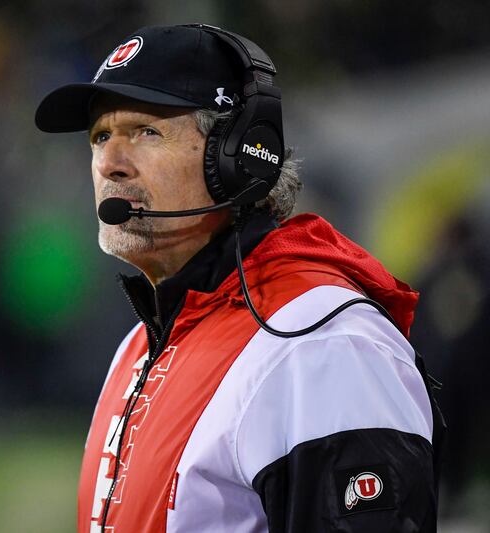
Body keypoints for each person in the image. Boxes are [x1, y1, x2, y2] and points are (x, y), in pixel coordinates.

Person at [35, 24, 443, 532]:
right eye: (101, 137)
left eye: (146, 131)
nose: (110, 165)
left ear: (237, 157)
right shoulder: (143, 343)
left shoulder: (322, 345)